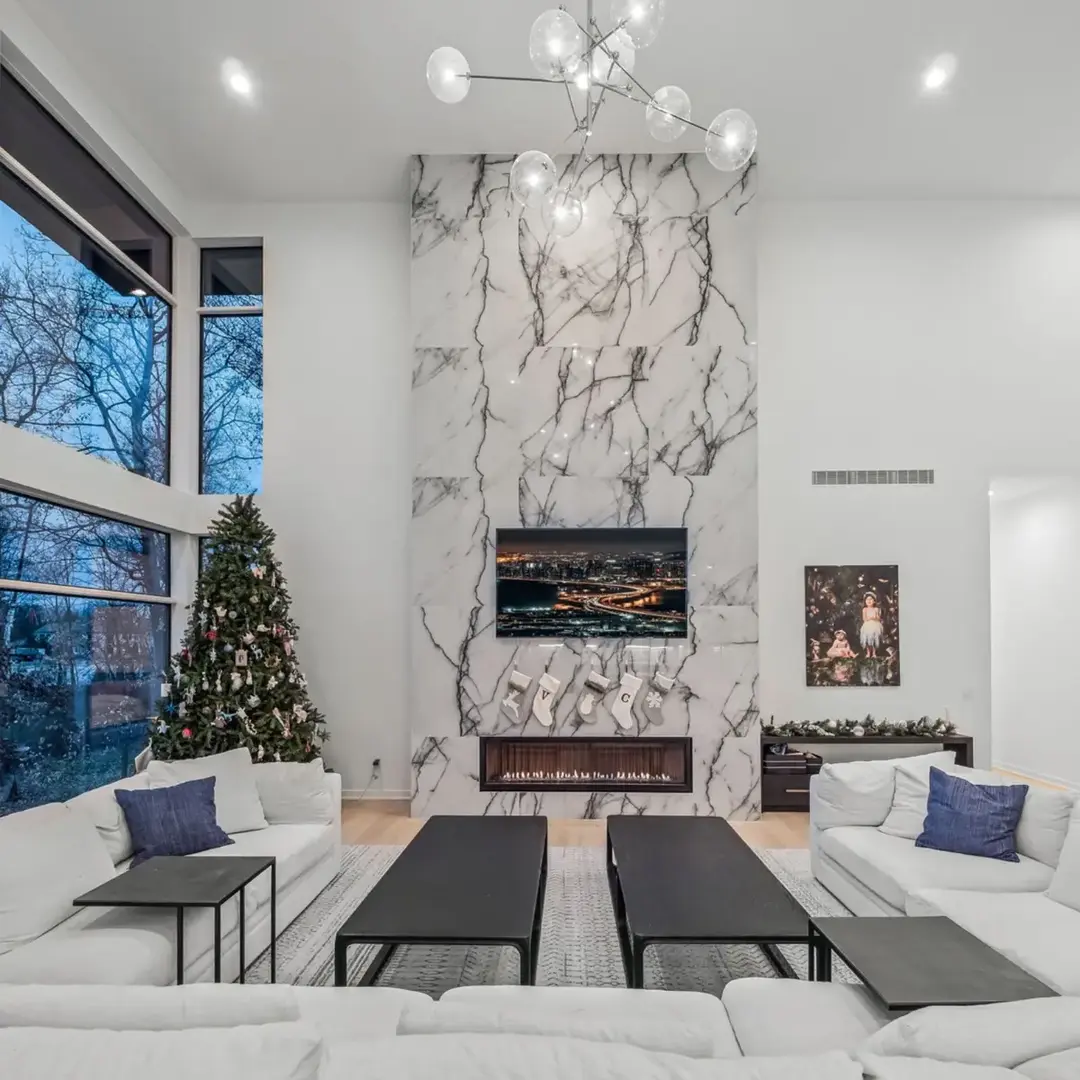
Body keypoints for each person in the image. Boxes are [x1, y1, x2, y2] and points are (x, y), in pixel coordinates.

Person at [860, 593, 884, 658]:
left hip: (875, 624)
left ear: (874, 601)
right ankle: (868, 652)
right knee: (867, 639)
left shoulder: (876, 609)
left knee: (874, 639)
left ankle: (874, 653)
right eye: (867, 599)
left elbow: (878, 618)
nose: (869, 601)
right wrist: (869, 618)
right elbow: (864, 619)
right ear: (865, 601)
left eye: (871, 599)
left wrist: (874, 618)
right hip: (867, 625)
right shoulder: (864, 609)